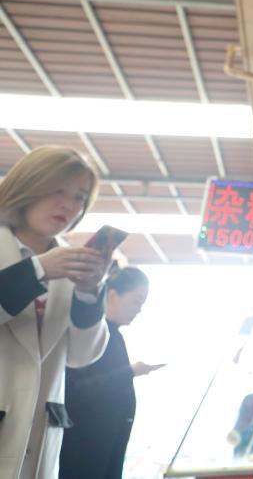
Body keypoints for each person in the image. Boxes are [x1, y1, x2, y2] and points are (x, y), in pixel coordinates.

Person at [0, 146, 109, 479]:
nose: (69, 205)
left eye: (79, 196)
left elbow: (81, 356)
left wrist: (89, 294)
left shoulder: (69, 264)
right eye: (57, 190)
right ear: (27, 186)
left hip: (37, 437)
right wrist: (36, 271)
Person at [59, 266, 160, 479]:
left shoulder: (115, 335)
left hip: (103, 454)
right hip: (81, 455)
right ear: (112, 295)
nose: (139, 309)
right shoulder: (89, 335)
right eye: (136, 301)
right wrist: (130, 372)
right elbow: (74, 390)